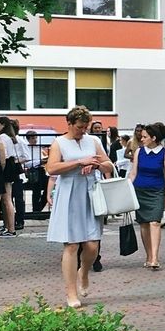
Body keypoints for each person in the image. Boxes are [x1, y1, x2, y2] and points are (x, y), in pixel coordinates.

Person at [45, 106, 113, 308]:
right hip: (69, 194)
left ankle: (84, 271)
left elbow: (109, 165)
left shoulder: (93, 141)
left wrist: (96, 165)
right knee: (72, 245)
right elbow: (51, 168)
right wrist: (78, 162)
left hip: (90, 193)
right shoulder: (59, 143)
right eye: (80, 127)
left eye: (86, 127)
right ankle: (71, 293)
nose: (83, 131)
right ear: (69, 124)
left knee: (92, 245)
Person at [129, 122, 165, 271]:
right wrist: (127, 189)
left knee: (155, 222)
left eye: (144, 137)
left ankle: (155, 257)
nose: (141, 139)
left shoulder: (164, 153)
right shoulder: (139, 152)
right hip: (140, 190)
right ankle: (148, 256)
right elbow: (133, 172)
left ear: (153, 138)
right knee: (143, 224)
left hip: (156, 192)